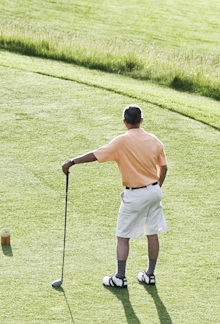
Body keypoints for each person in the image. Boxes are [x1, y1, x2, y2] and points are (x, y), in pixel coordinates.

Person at [61, 104, 167, 289]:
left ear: (125, 122)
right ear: (141, 121)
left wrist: (72, 162)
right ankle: (150, 275)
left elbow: (96, 155)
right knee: (152, 233)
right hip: (154, 191)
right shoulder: (154, 140)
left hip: (135, 194)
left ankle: (120, 277)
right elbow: (163, 167)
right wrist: (156, 187)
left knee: (123, 237)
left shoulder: (121, 141)